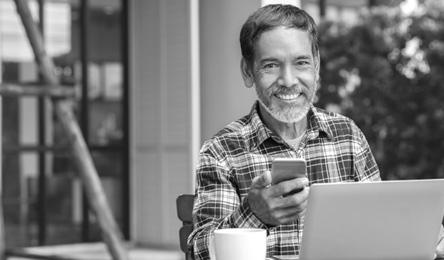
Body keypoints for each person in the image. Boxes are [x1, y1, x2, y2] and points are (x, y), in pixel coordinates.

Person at [188, 4, 444, 259]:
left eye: (301, 62)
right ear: (248, 72)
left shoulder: (348, 136)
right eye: (270, 65)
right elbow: (199, 251)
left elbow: (379, 227)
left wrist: (423, 235)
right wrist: (254, 215)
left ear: (316, 65)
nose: (288, 80)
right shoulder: (221, 151)